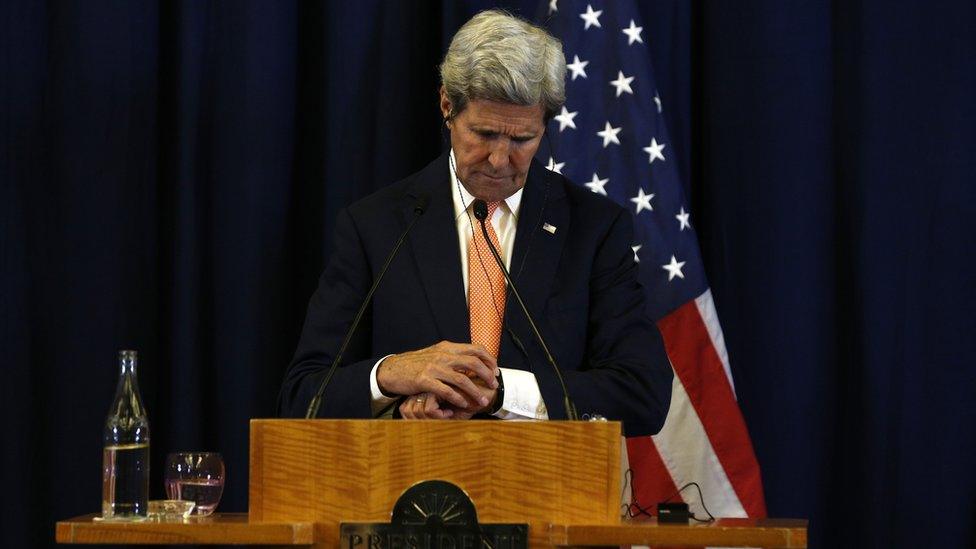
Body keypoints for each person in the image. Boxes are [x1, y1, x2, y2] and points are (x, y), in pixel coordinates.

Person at [278, 10, 672, 436]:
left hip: (548, 493)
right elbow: (303, 396)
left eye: (523, 140)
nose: (500, 160)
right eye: (483, 134)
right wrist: (391, 376)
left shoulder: (594, 229)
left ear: (545, 125)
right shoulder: (375, 227)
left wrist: (502, 393)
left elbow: (643, 395)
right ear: (447, 106)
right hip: (408, 489)